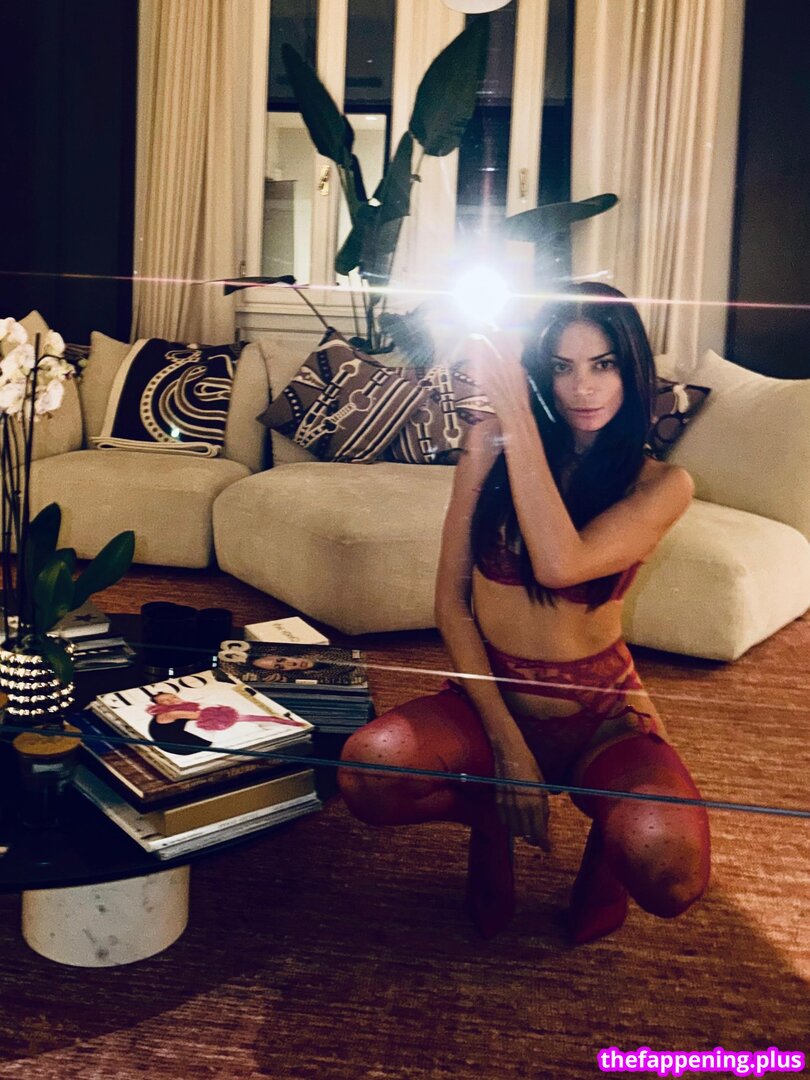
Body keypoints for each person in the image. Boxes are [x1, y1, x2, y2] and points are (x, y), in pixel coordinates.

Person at [337, 283, 711, 943]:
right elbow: (451, 603)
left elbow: (561, 564)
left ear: (632, 370)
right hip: (492, 692)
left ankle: (608, 851)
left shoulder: (663, 485)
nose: (583, 388)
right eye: (561, 367)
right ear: (542, 370)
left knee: (670, 874)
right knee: (367, 774)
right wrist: (508, 751)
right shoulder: (486, 445)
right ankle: (488, 817)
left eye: (603, 364)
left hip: (600, 714)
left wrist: (512, 404)